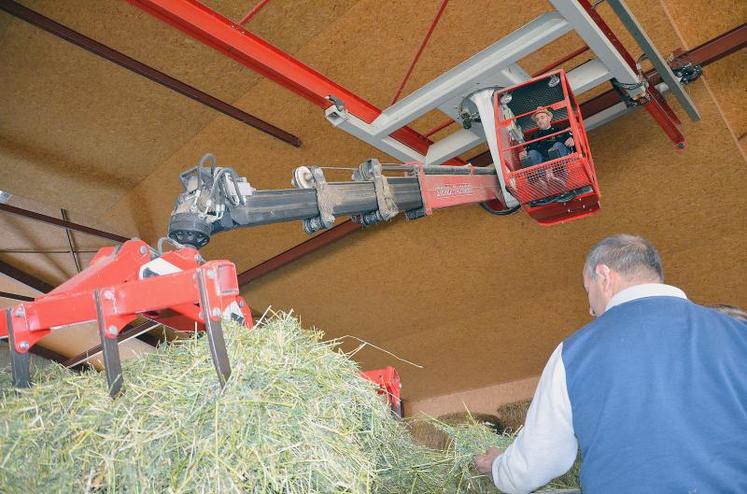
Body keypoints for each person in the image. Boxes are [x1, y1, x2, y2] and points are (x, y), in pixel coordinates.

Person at [474, 234, 747, 493]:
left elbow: (535, 463)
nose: (590, 309)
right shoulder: (738, 333)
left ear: (604, 276)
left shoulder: (574, 353)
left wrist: (498, 467)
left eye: (587, 290)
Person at [518, 107, 574, 187]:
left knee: (556, 146)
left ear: (549, 118)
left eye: (542, 117)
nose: (540, 121)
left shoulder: (559, 129)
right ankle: (540, 182)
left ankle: (559, 177)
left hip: (561, 160)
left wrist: (571, 139)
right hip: (544, 164)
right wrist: (524, 153)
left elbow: (571, 139)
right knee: (531, 153)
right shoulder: (534, 136)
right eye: (537, 119)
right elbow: (529, 150)